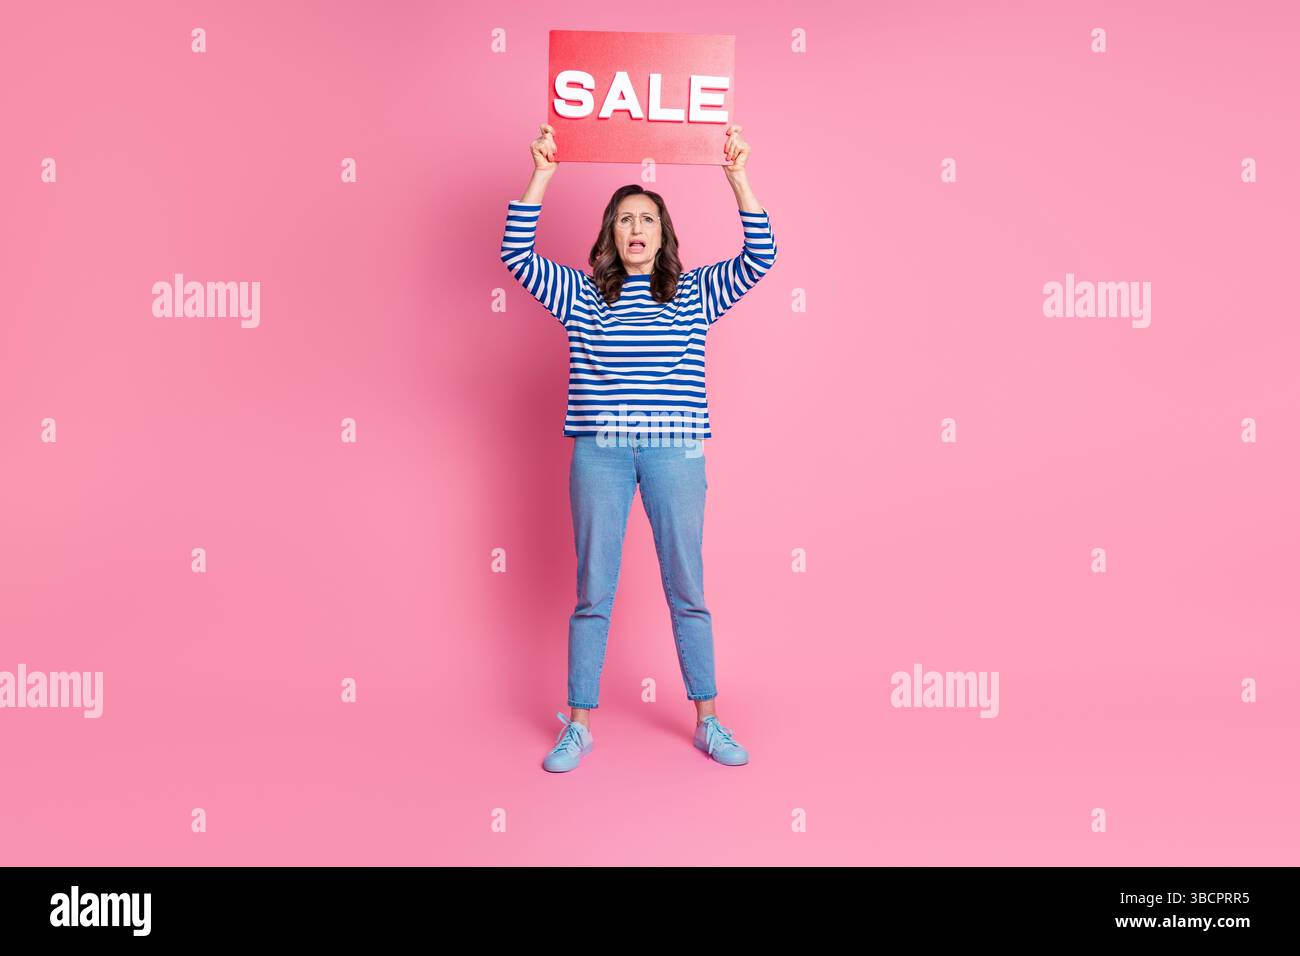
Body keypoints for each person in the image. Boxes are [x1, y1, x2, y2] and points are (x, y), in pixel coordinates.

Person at [499, 122, 778, 772]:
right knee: (593, 589)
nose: (635, 228)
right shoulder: (580, 294)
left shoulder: (694, 293)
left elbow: (761, 258)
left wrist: (736, 174)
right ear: (610, 234)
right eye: (624, 218)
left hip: (674, 451)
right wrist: (542, 172)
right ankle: (579, 723)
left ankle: (708, 719)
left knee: (687, 585)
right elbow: (515, 257)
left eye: (646, 218)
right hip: (600, 452)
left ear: (662, 233)